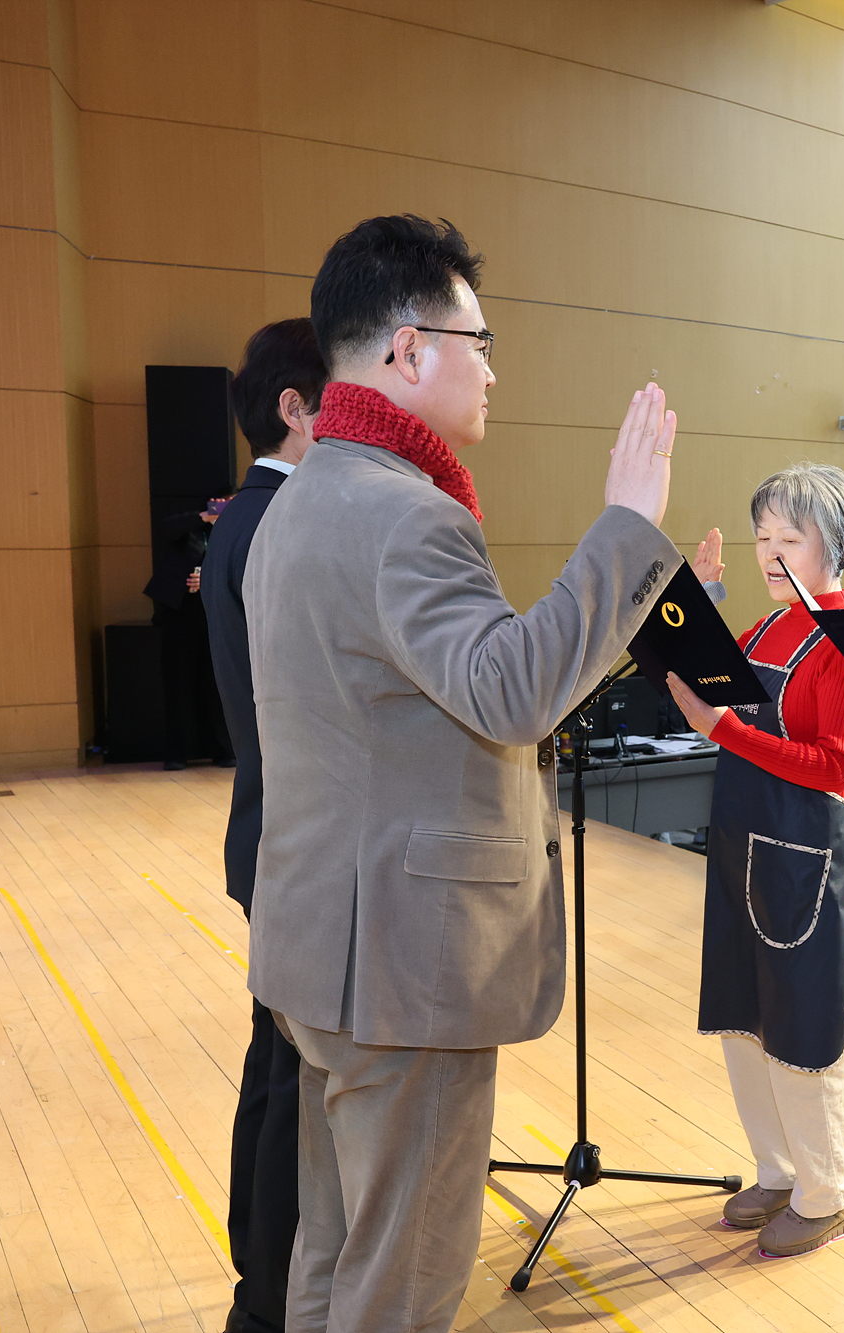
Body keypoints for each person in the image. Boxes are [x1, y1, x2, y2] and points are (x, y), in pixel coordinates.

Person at [244, 215, 681, 1331]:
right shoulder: (408, 517)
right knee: (403, 1284)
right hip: (404, 970)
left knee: (335, 1260)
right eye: (478, 342)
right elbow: (509, 690)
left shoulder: (299, 501)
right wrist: (626, 527)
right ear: (407, 350)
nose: (491, 369)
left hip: (327, 952)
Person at [665, 464, 844, 1257]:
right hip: (742, 850)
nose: (770, 550)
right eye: (763, 535)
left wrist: (725, 729)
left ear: (836, 544)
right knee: (744, 1019)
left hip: (806, 864)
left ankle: (830, 1191)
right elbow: (693, 685)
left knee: (802, 1028)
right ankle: (780, 1167)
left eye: (790, 536)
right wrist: (695, 606)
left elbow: (834, 763)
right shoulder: (761, 630)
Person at [200, 317, 327, 1333]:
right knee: (291, 1083)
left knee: (271, 1062)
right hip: (297, 839)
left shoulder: (240, 519)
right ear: (296, 407)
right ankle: (274, 1295)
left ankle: (258, 1271)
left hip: (264, 827)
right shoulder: (283, 523)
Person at [146, 492, 237, 770]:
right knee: (178, 684)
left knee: (217, 685)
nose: (222, 507)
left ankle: (224, 750)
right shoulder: (189, 527)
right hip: (180, 614)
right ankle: (177, 752)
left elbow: (240, 566)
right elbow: (167, 528)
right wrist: (204, 517)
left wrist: (207, 577)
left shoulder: (234, 531)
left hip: (216, 614)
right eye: (219, 503)